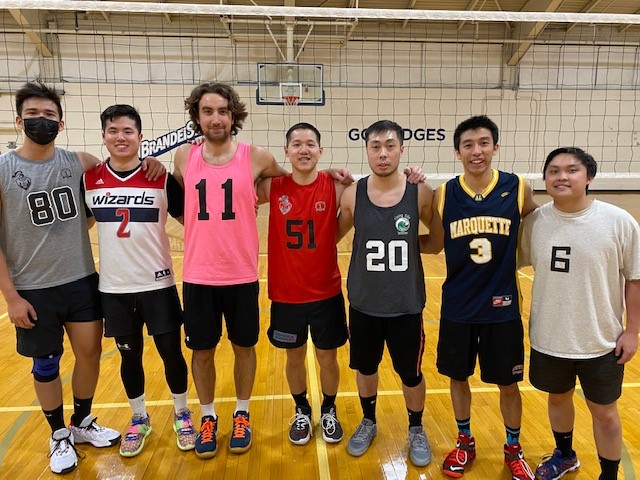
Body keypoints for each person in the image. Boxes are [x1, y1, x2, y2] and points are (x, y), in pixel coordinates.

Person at [0, 82, 163, 474]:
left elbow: (119, 166)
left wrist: (151, 163)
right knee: (46, 363)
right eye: (33, 115)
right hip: (32, 288)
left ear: (61, 123)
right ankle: (58, 434)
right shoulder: (3, 169)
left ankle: (82, 422)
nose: (41, 121)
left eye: (49, 115)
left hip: (82, 280)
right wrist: (11, 298)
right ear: (18, 120)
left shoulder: (79, 162)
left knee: (89, 354)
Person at [422, 115, 537, 479]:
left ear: (495, 147)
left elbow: (543, 227)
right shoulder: (444, 194)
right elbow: (435, 243)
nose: (477, 151)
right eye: (468, 145)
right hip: (458, 306)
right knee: (458, 377)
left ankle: (513, 449)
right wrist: (394, 236)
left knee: (508, 382)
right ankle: (464, 441)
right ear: (457, 152)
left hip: (503, 307)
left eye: (484, 143)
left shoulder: (518, 187)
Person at [519, 147, 640, 480]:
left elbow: (635, 278)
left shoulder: (618, 221)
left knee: (605, 413)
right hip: (549, 337)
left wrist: (632, 331)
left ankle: (608, 474)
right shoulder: (534, 223)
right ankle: (565, 455)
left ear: (590, 177)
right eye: (553, 171)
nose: (562, 176)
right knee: (558, 399)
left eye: (572, 170)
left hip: (601, 340)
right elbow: (505, 263)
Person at [83, 104, 195, 458]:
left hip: (158, 285)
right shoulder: (89, 180)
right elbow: (79, 225)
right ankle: (139, 417)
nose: (121, 137)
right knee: (129, 359)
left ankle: (182, 413)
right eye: (113, 131)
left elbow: (193, 220)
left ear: (140, 137)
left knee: (171, 354)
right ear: (103, 136)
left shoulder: (160, 177)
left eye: (128, 131)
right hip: (114, 290)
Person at [337, 119, 434, 467]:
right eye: (375, 146)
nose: (382, 153)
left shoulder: (420, 192)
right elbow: (331, 235)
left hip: (406, 304)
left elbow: (437, 241)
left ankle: (416, 428)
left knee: (411, 373)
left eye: (390, 146)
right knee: (366, 368)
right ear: (366, 150)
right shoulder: (353, 193)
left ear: (401, 150)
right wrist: (333, 189)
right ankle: (368, 421)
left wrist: (406, 244)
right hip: (364, 304)